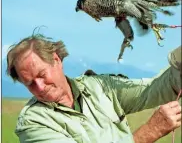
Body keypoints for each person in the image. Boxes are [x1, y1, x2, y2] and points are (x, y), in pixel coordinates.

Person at [6, 33, 181, 143]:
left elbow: (155, 90)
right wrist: (149, 132)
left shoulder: (98, 86)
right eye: (29, 83)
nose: (39, 87)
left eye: (41, 75)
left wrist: (178, 60)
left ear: (56, 60)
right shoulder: (33, 123)